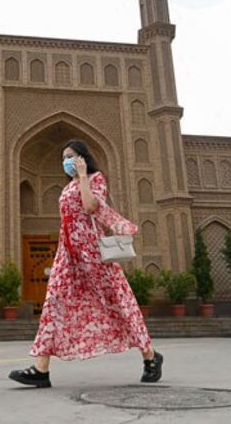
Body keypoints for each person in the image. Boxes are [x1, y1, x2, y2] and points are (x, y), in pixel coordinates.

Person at [9, 140, 163, 388]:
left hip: (93, 252)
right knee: (54, 302)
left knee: (117, 302)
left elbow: (91, 206)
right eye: (64, 158)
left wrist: (83, 177)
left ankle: (151, 356)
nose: (66, 162)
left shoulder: (95, 179)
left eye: (70, 156)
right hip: (68, 254)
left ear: (83, 158)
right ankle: (41, 369)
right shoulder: (67, 186)